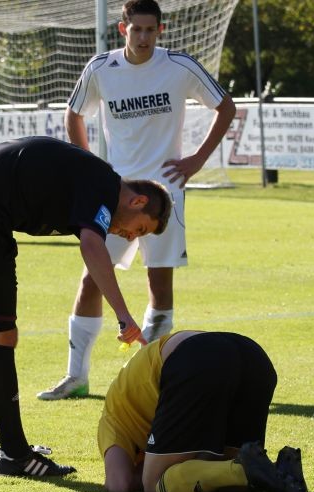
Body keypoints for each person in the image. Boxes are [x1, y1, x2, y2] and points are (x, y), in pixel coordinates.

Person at [0, 136, 171, 478]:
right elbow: (92, 246)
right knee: (0, 335)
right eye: (139, 229)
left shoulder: (92, 181)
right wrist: (124, 316)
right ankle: (16, 456)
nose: (130, 237)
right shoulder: (104, 184)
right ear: (138, 200)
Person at [38, 0, 236, 400]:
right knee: (91, 278)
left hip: (165, 195)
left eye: (150, 30)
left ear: (160, 30)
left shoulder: (179, 66)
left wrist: (197, 160)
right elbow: (73, 114)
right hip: (116, 195)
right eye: (136, 29)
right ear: (122, 29)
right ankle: (76, 377)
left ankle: (150, 378)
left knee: (159, 283)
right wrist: (89, 166)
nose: (143, 37)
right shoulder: (101, 68)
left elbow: (226, 107)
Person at [98, 330, 307, 492]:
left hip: (199, 357)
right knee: (225, 477)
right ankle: (282, 476)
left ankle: (243, 471)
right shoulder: (132, 397)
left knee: (154, 485)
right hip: (252, 356)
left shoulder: (112, 418)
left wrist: (148, 472)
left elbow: (119, 483)